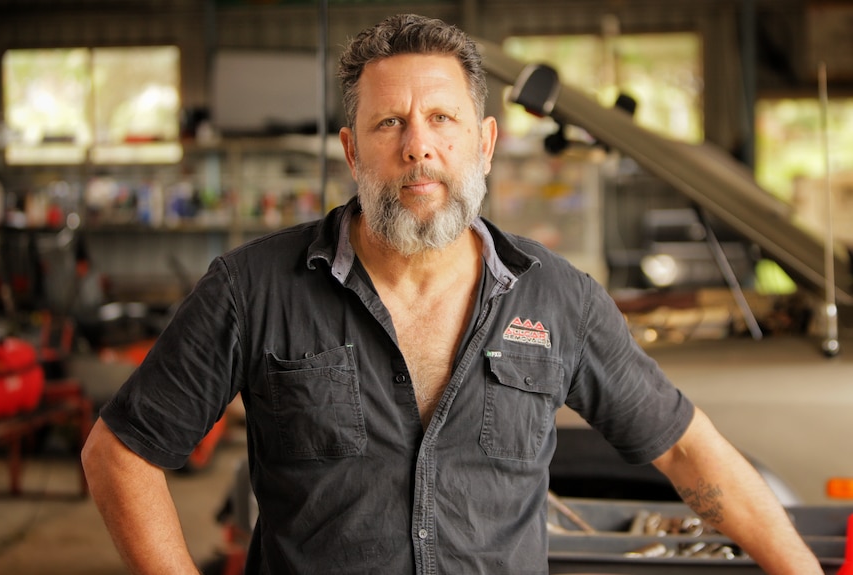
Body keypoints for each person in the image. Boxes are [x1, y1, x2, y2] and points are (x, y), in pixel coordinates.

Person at [81, 13, 822, 575]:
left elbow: (693, 453)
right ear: (350, 150)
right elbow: (120, 454)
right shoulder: (252, 289)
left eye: (441, 118)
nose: (418, 146)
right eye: (389, 123)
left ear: (485, 141)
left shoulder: (560, 301)